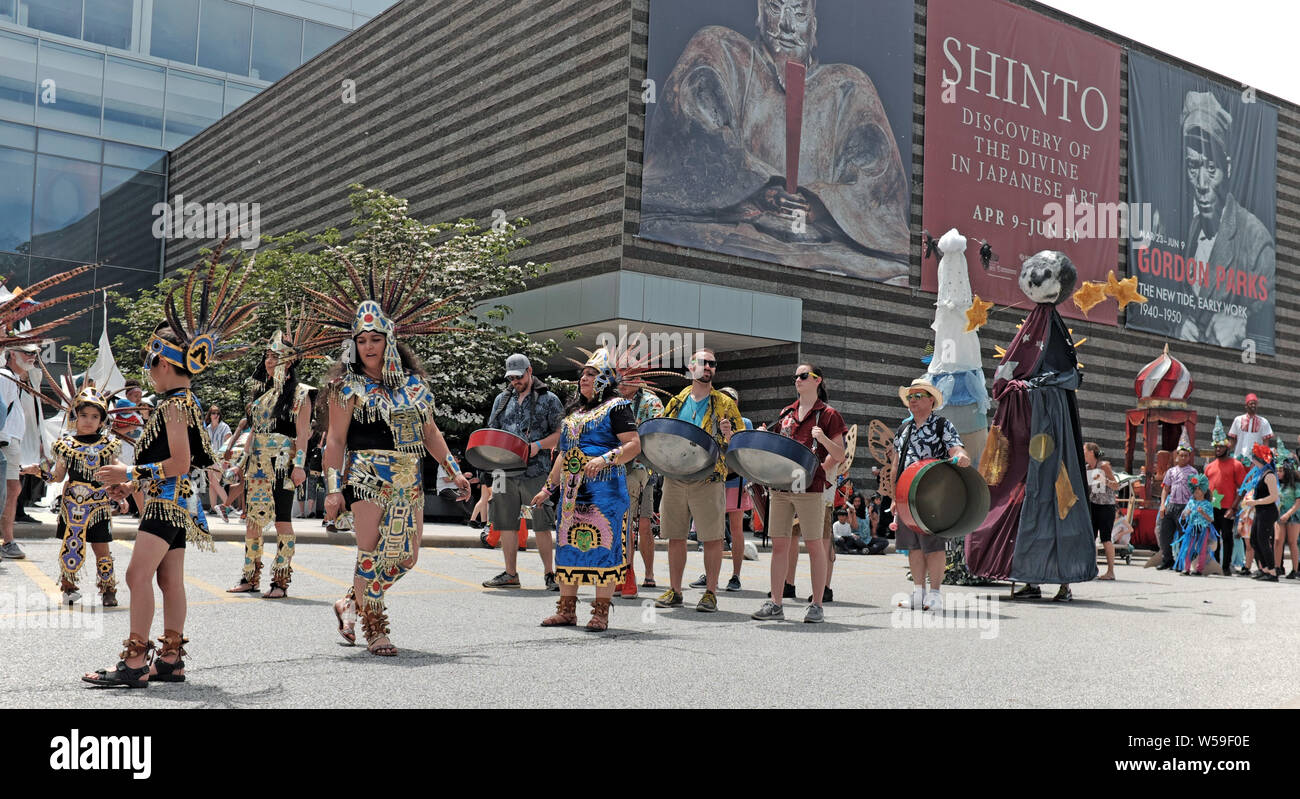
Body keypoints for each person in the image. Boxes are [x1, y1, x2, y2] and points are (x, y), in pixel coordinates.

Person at [84, 250, 258, 687]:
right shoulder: (184, 402)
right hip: (181, 504)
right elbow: (178, 464)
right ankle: (171, 659)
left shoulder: (173, 406)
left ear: (162, 364)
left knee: (136, 574)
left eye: (149, 364)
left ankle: (135, 661)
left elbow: (178, 462)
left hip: (166, 503)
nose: (149, 372)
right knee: (168, 580)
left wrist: (130, 475)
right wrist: (130, 484)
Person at [641, 0, 910, 282]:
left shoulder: (849, 88)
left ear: (813, 26)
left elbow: (879, 184)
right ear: (759, 15)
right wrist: (763, 184)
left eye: (799, 13)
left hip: (818, 241)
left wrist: (820, 203)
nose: (786, 24)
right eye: (775, 8)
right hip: (738, 226)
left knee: (893, 276)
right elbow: (694, 122)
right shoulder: (724, 51)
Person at [307, 266, 470, 657]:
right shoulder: (345, 387)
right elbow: (337, 441)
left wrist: (454, 471)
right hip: (366, 477)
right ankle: (375, 628)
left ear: (390, 340)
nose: (368, 346)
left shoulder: (416, 387)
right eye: (361, 340)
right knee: (371, 551)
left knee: (408, 556)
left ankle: (351, 600)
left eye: (375, 338)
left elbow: (430, 434)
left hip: (409, 478)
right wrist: (333, 490)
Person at [531, 347, 642, 631]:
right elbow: (563, 455)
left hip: (605, 491)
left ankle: (600, 612)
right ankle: (566, 609)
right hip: (571, 492)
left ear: (604, 378)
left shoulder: (617, 406)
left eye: (591, 374)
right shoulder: (574, 413)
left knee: (604, 547)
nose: (583, 378)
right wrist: (548, 488)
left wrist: (604, 459)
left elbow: (633, 444)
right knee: (568, 547)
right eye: (583, 374)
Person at [1175, 91, 1275, 349]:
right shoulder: (1190, 230)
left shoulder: (1255, 238)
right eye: (1192, 166)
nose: (1201, 184)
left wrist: (1242, 323)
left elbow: (1274, 326)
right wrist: (1180, 324)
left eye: (1211, 168)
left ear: (1227, 168)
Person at [224, 326, 316, 599]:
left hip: (282, 464)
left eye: (275, 356)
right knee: (253, 522)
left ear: (289, 362)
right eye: (267, 356)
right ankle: (249, 578)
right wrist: (240, 463)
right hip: (257, 465)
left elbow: (302, 434)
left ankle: (280, 581)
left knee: (282, 522)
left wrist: (299, 465)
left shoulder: (301, 394)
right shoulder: (261, 394)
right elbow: (254, 432)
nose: (269, 361)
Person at [751, 362, 845, 623]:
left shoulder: (828, 415)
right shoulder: (786, 413)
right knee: (779, 545)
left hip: (811, 488)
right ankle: (776, 603)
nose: (798, 380)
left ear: (818, 380)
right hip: (782, 486)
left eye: (804, 376)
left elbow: (839, 454)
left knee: (815, 545)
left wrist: (823, 438)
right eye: (796, 376)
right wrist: (763, 437)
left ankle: (816, 604)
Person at [654, 349, 745, 613]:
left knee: (713, 537)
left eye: (712, 364)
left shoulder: (725, 404)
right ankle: (675, 590)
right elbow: (663, 433)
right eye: (703, 363)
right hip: (676, 476)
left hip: (709, 477)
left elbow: (739, 444)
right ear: (691, 366)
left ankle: (710, 592)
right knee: (675, 536)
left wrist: (729, 437)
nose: (708, 367)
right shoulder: (678, 400)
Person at [481, 354, 564, 591]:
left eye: (518, 376)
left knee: (541, 522)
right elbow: (492, 433)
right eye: (511, 377)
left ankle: (550, 574)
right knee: (505, 522)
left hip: (537, 469)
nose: (515, 381)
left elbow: (561, 435)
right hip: (505, 470)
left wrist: (537, 445)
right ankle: (510, 574)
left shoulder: (549, 400)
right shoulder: (502, 399)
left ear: (529, 371)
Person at [887, 377, 968, 612]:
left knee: (933, 545)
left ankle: (935, 594)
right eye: (910, 397)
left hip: (934, 494)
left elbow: (955, 447)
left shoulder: (942, 425)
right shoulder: (904, 427)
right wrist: (894, 497)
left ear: (931, 400)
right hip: (905, 494)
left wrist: (961, 456)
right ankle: (918, 591)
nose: (912, 400)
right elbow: (895, 464)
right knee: (912, 546)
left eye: (917, 396)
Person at [40, 381, 122, 606]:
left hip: (99, 504)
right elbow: (58, 475)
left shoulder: (108, 445)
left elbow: (117, 469)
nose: (89, 420)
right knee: (70, 545)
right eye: (84, 415)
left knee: (101, 548)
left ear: (101, 420)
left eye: (95, 416)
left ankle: (108, 589)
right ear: (76, 415)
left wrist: (124, 488)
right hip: (73, 504)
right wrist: (39, 472)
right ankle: (68, 587)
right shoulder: (66, 444)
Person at [693, 385, 749, 593]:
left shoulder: (745, 422)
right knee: (711, 530)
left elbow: (742, 452)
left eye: (730, 400)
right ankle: (710, 576)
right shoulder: (709, 420)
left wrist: (729, 434)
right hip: (713, 479)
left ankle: (736, 576)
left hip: (734, 480)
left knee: (735, 529)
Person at [617, 375, 664, 598]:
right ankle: (622, 573)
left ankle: (647, 572)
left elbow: (657, 431)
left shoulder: (650, 402)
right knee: (621, 523)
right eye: (619, 379)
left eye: (627, 380)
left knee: (643, 523)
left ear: (638, 380)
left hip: (642, 467)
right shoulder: (614, 401)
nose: (622, 384)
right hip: (616, 467)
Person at [1204, 418, 1246, 576]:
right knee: (1213, 537)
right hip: (1212, 507)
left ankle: (1226, 566)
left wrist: (1234, 507)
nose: (1218, 449)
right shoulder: (1209, 467)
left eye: (1221, 446)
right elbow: (1205, 489)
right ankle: (1215, 564)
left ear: (1227, 447)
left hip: (1228, 507)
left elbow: (1242, 489)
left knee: (1227, 536)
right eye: (1216, 446)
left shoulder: (1236, 465)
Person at [1240, 444, 1280, 582]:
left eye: (1254, 459)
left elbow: (1274, 497)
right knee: (1254, 541)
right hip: (1261, 510)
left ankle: (1273, 571)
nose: (1253, 461)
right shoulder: (1260, 473)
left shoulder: (1269, 476)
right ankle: (1264, 569)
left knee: (1263, 541)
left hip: (1268, 511)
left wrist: (1255, 502)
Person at [1156, 441, 1199, 571]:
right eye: (1181, 455)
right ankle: (1167, 559)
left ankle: (1181, 562)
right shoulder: (1171, 471)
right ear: (1177, 456)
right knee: (1164, 534)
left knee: (1182, 536)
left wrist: (1191, 508)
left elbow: (1196, 491)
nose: (1184, 458)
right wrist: (1163, 505)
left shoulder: (1193, 471)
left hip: (1185, 507)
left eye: (1186, 455)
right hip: (1171, 505)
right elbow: (1165, 489)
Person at [1084, 443, 1120, 580]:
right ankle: (1090, 569)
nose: (1083, 452)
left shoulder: (1104, 466)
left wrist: (1104, 479)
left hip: (1106, 506)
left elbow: (1116, 485)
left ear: (1092, 452)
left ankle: (1111, 571)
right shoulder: (1087, 468)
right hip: (1093, 505)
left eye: (1085, 450)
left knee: (1105, 538)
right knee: (1090, 538)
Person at [1174, 474, 1218, 575]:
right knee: (1187, 548)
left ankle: (1199, 569)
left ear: (1204, 490)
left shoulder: (1207, 504)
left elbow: (1211, 519)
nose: (1196, 491)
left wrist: (1203, 513)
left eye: (1199, 489)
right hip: (1191, 528)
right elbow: (1183, 516)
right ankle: (1187, 568)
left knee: (1202, 549)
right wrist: (1186, 514)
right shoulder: (1191, 502)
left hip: (1203, 529)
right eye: (1195, 489)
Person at [204, 404, 232, 520]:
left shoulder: (225, 427)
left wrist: (227, 460)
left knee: (215, 482)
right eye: (213, 413)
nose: (215, 415)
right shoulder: (207, 428)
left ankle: (227, 505)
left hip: (220, 459)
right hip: (210, 458)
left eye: (217, 413)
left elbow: (229, 444)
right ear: (209, 415)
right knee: (211, 484)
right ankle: (213, 507)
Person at [1274, 456, 1299, 579]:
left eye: (1281, 470)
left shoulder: (1296, 485)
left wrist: (1288, 514)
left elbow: (1298, 502)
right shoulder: (1279, 485)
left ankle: (1295, 570)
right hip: (1280, 515)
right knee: (1278, 540)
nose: (1278, 473)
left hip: (1294, 516)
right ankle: (1277, 567)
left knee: (1292, 542)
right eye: (1277, 470)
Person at [1228, 393, 1273, 460]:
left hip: (1256, 461)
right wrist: (1223, 449)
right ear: (1246, 406)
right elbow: (1232, 442)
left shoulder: (1264, 422)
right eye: (1251, 403)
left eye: (1255, 403)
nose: (1253, 405)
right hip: (1239, 459)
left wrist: (1264, 459)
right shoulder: (1238, 420)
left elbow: (1265, 444)